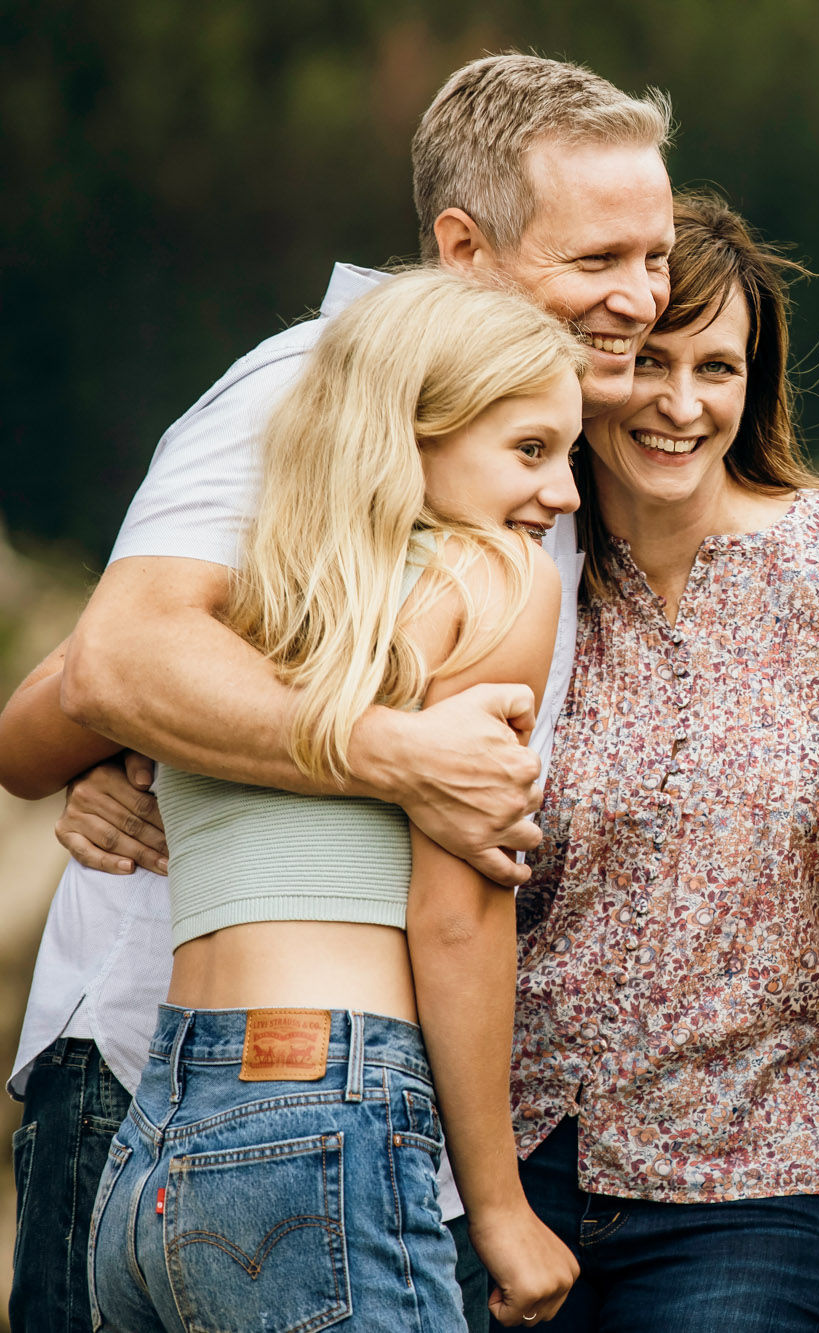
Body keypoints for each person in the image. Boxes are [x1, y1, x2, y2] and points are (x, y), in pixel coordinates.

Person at [2, 53, 673, 1333]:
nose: (641, 297)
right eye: (599, 261)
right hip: (219, 1069)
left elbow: (103, 679)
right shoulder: (307, 389)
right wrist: (393, 752)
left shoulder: (495, 445)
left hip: (188, 1113)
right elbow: (111, 662)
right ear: (462, 247)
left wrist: (163, 756)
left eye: (656, 255)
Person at [68, 270, 579, 1331]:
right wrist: (499, 1207)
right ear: (412, 434)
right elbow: (456, 914)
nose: (565, 493)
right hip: (320, 1106)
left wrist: (90, 768)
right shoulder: (494, 580)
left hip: (153, 1143)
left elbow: (64, 691)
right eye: (531, 450)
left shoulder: (239, 610)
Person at [506, 192, 819, 1333]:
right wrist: (133, 770)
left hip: (757, 1165)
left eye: (717, 368)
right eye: (645, 361)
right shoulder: (510, 562)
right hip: (508, 1147)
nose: (680, 405)